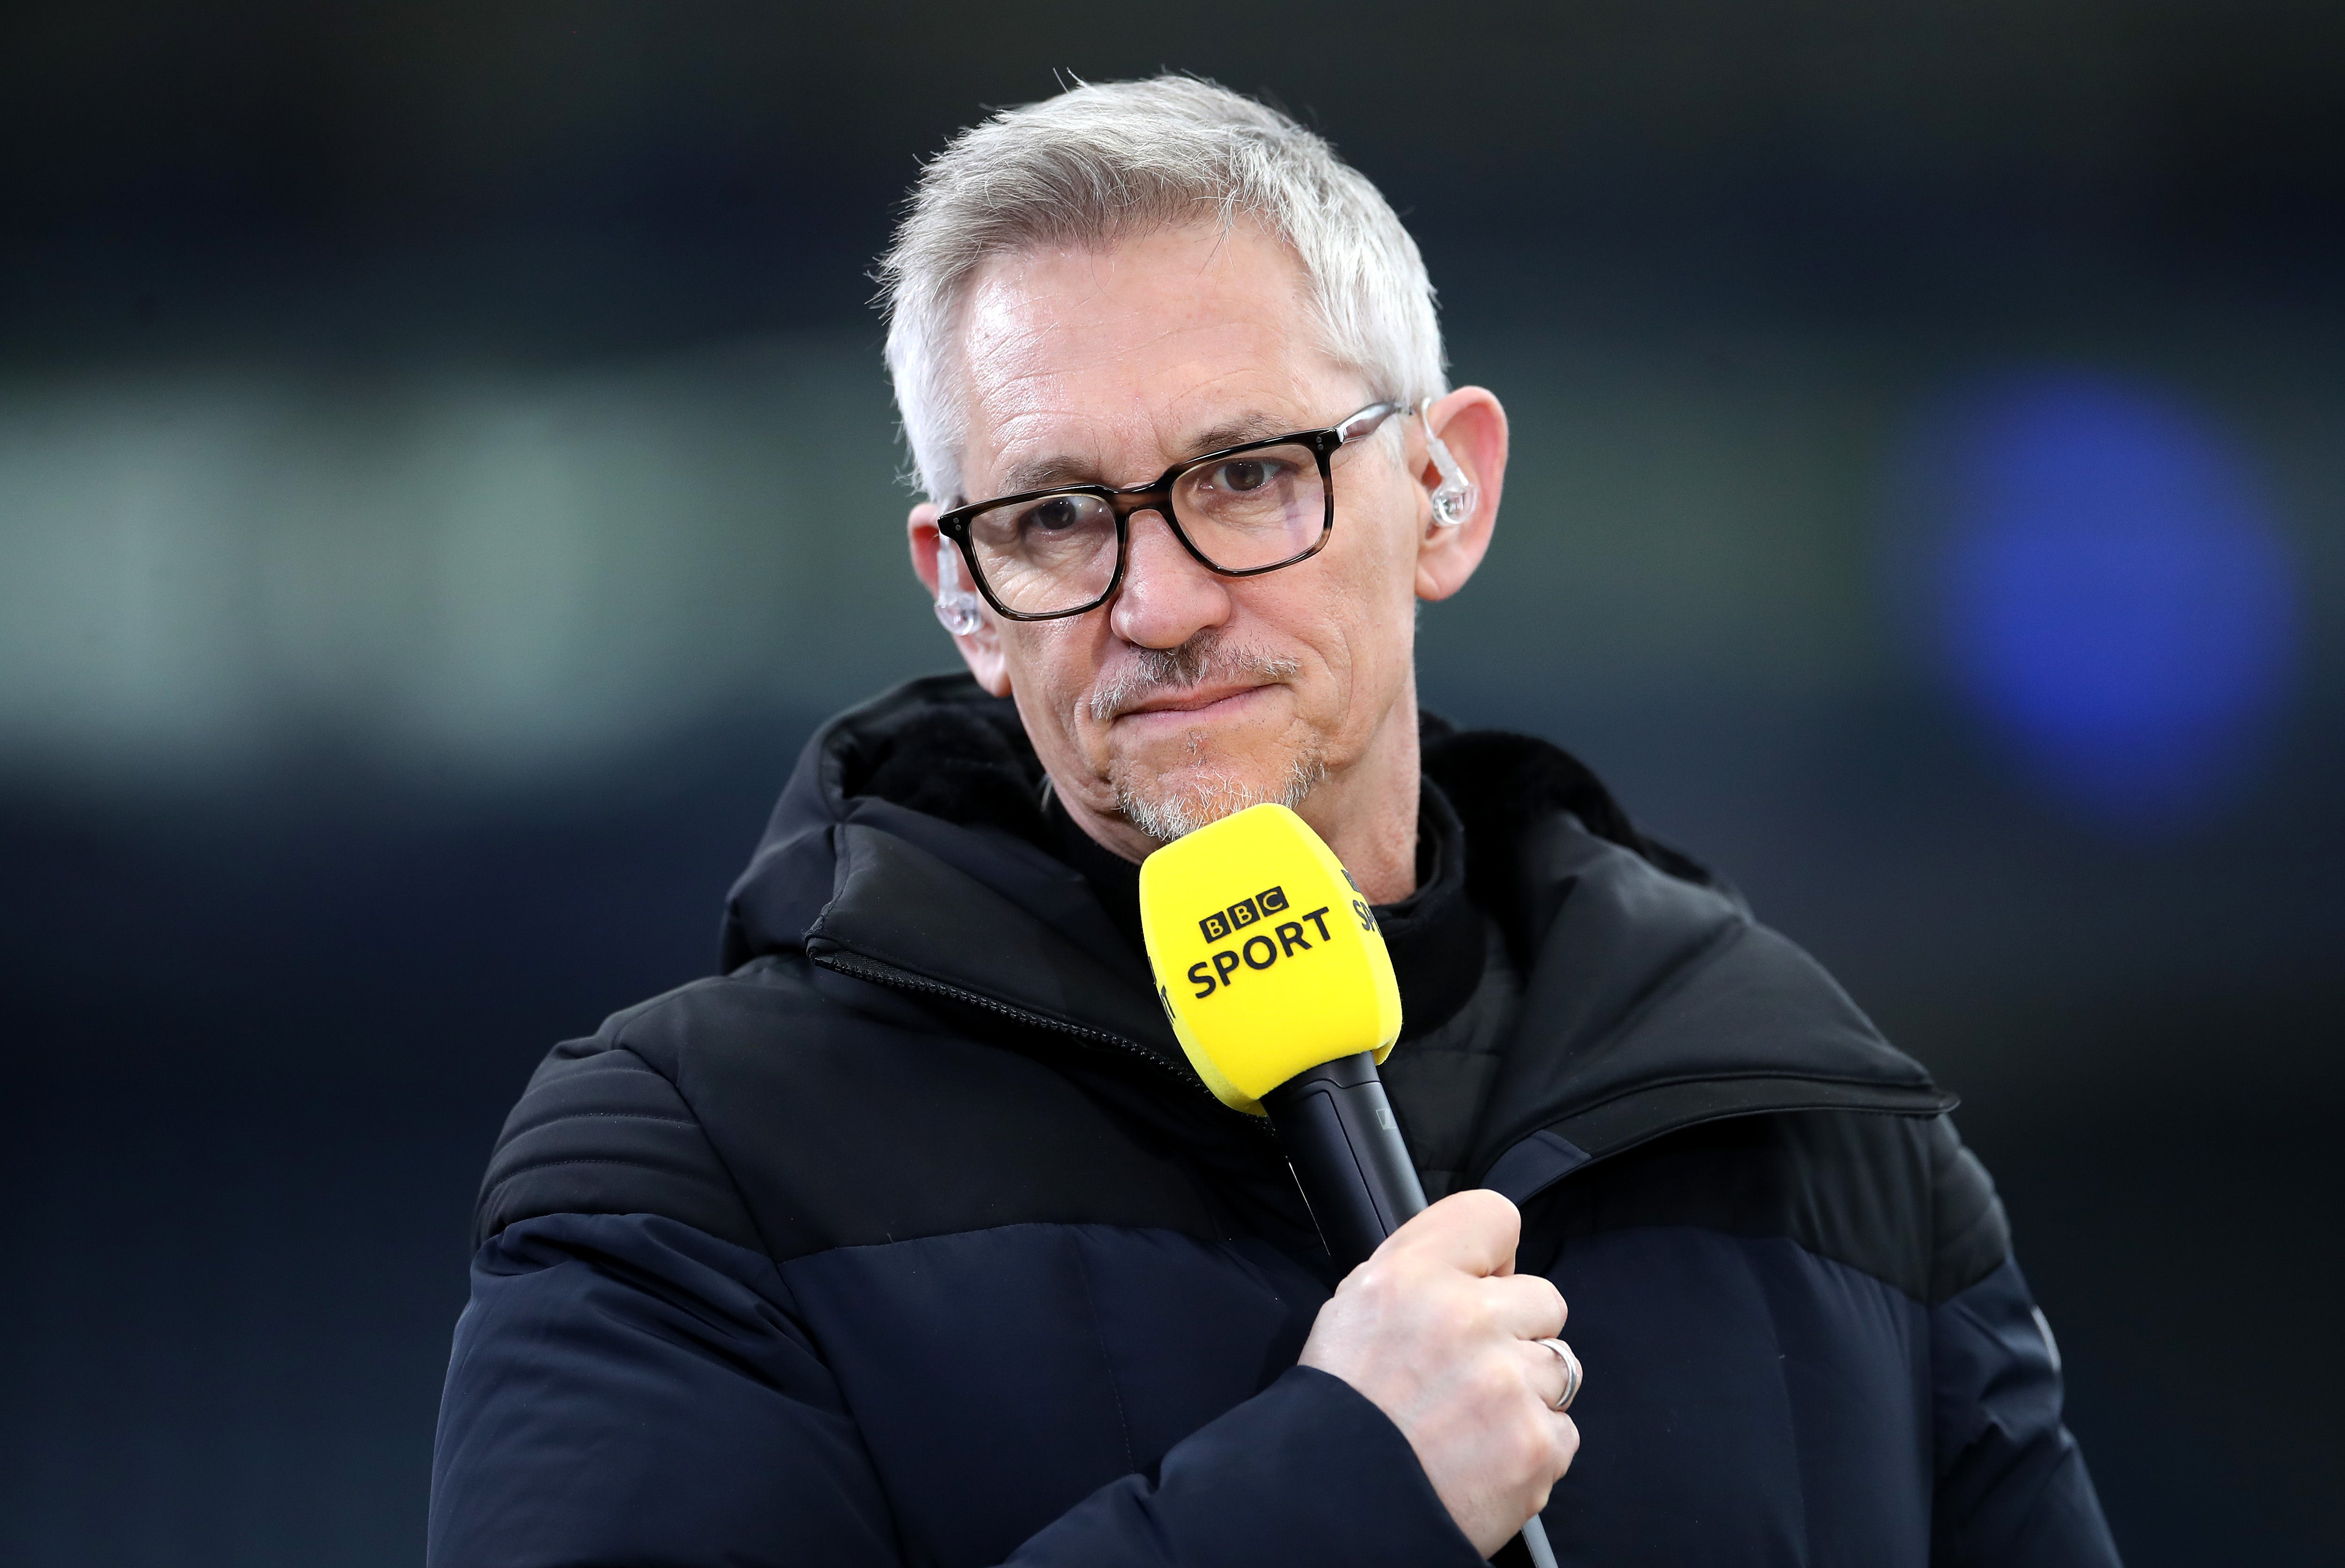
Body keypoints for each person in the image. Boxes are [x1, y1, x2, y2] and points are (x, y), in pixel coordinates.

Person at [427, 76, 2121, 1568]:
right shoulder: (689, 1161)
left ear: (1444, 490)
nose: (1156, 600)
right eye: (1054, 513)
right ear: (964, 593)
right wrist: (1339, 1488)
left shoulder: (1815, 1126)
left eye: (1248, 476)